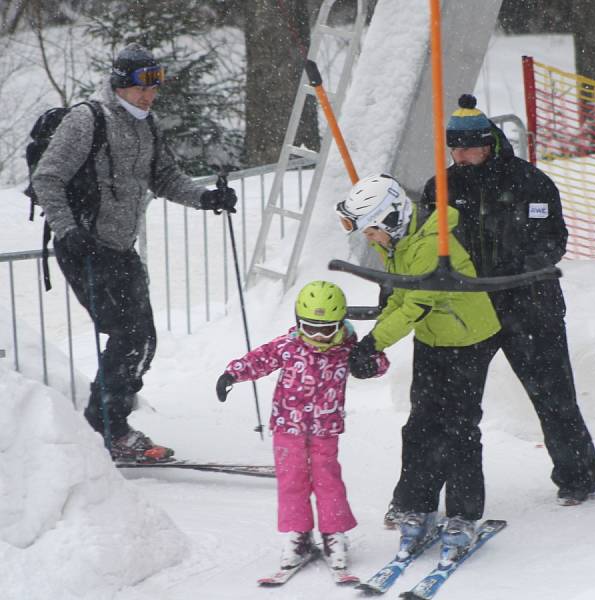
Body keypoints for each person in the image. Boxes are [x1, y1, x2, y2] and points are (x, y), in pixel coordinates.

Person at [31, 43, 238, 462]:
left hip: (120, 248)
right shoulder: (87, 121)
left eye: (155, 86)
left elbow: (164, 177)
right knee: (128, 337)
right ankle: (107, 429)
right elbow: (47, 178)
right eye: (141, 87)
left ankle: (108, 423)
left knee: (143, 340)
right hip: (84, 248)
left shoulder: (148, 125)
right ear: (120, 84)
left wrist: (206, 198)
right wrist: (68, 231)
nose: (148, 95)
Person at [418, 93, 595, 506]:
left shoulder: (531, 182)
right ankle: (427, 493)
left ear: (489, 143)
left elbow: (554, 240)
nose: (459, 155)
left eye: (467, 146)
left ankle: (578, 476)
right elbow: (422, 244)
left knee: (554, 396)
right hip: (469, 310)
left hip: (530, 307)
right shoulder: (440, 189)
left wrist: (518, 265)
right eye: (453, 147)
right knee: (454, 406)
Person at [335, 174, 501, 562]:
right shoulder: (394, 243)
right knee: (421, 424)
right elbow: (398, 297)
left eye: (372, 230)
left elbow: (415, 306)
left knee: (459, 426)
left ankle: (463, 514)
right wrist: (370, 341)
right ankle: (417, 503)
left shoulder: (431, 248)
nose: (369, 239)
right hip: (432, 337)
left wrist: (375, 342)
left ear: (391, 218)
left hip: (467, 340)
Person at [215, 280, 389, 572]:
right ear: (298, 323)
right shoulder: (289, 345)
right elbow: (260, 359)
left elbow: (379, 360)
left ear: (340, 323)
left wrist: (372, 365)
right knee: (292, 481)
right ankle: (299, 534)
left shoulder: (348, 349)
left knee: (327, 481)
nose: (318, 336)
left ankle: (334, 533)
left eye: (326, 329)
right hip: (287, 427)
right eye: (310, 328)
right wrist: (231, 374)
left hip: (325, 429)